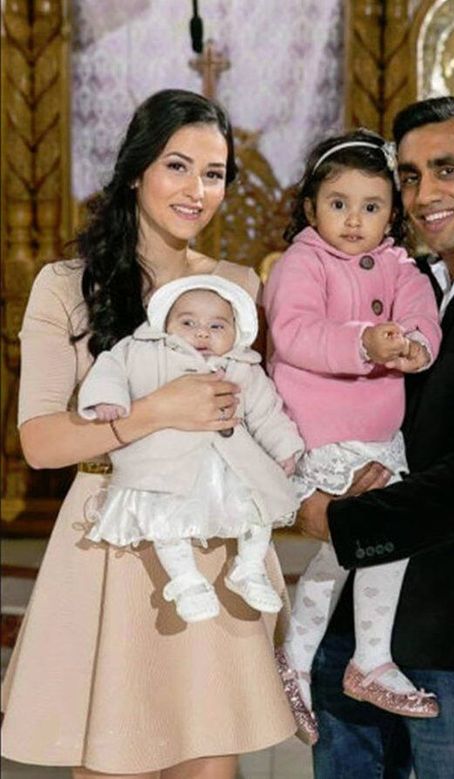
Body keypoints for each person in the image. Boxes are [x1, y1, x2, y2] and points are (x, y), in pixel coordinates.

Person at [1, 89, 299, 779]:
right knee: (114, 758)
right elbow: (41, 442)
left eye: (214, 173)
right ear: (137, 171)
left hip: (211, 542)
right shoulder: (64, 285)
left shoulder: (235, 287)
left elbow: (265, 411)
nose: (197, 190)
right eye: (177, 166)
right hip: (106, 540)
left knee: (209, 762)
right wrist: (155, 412)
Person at [298, 97, 454, 778]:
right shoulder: (403, 277)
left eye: (447, 169)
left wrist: (342, 522)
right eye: (410, 176)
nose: (424, 195)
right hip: (353, 627)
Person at [263, 128, 442, 741]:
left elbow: (422, 316)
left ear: (392, 214)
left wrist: (416, 346)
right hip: (323, 431)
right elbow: (294, 333)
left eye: (371, 206)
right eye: (338, 204)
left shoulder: (400, 266)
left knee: (355, 549)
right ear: (311, 206)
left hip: (379, 436)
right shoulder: (303, 261)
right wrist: (363, 342)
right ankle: (359, 658)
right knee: (368, 542)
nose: (353, 220)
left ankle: (307, 659)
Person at [78, 274, 303, 623]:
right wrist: (109, 398)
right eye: (188, 323)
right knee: (164, 519)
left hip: (230, 464)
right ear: (166, 323)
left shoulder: (242, 368)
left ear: (237, 332)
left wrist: (285, 447)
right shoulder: (142, 351)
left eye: (217, 326)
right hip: (167, 463)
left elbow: (267, 412)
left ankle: (249, 566)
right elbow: (111, 368)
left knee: (258, 508)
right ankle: (185, 581)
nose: (202, 333)